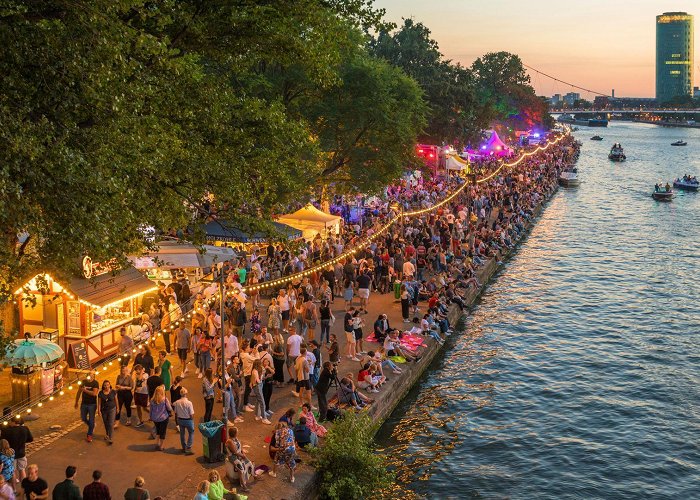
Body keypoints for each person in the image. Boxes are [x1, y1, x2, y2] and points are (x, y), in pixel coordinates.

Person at [1, 417, 32, 486]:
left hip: (11, 454)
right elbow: (30, 439)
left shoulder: (7, 431)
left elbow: (3, 442)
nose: (9, 423)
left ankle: (14, 489)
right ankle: (24, 488)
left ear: (14, 422)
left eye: (10, 421)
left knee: (13, 472)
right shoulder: (25, 428)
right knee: (22, 469)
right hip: (22, 453)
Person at [224, 427, 253, 492]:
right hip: (233, 457)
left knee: (249, 463)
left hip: (239, 455)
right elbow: (235, 452)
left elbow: (240, 447)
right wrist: (243, 456)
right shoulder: (229, 441)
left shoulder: (235, 439)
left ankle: (254, 475)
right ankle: (244, 486)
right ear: (235, 433)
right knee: (241, 470)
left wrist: (243, 453)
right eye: (237, 432)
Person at [74, 375, 99, 443]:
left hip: (92, 404)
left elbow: (94, 393)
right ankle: (92, 426)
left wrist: (85, 390)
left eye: (91, 376)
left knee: (91, 420)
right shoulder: (83, 382)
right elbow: (79, 392)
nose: (89, 378)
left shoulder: (95, 383)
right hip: (84, 404)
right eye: (88, 376)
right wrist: (76, 402)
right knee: (83, 418)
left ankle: (89, 434)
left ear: (93, 377)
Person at [172, 387, 195, 455]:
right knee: (191, 433)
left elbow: (175, 412)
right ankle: (188, 447)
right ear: (186, 394)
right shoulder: (189, 403)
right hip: (188, 420)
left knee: (182, 434)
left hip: (180, 420)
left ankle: (184, 447)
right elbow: (191, 414)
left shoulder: (177, 402)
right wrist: (191, 419)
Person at [149, 386, 173, 451]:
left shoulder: (152, 400)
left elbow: (150, 410)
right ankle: (161, 446)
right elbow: (169, 408)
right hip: (163, 418)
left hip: (155, 418)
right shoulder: (164, 399)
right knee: (163, 432)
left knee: (158, 430)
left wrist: (150, 417)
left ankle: (157, 443)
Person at [250, 360, 271, 425]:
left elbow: (262, 374)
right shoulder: (255, 371)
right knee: (262, 402)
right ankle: (264, 418)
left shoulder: (258, 370)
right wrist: (260, 381)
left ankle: (257, 415)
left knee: (258, 401)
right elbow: (257, 380)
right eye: (260, 363)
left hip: (259, 385)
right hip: (257, 386)